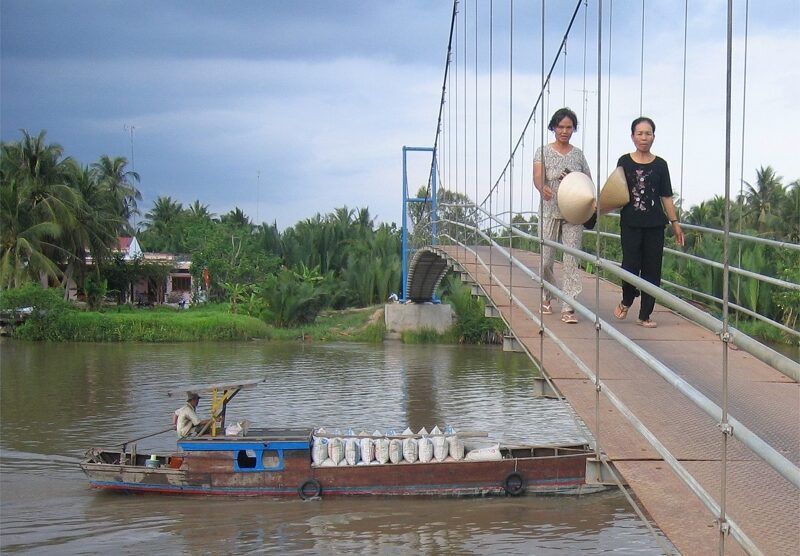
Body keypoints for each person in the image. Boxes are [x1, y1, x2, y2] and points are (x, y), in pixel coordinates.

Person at [613, 117, 684, 328]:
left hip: (654, 224)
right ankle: (627, 299)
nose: (644, 137)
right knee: (630, 265)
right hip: (630, 222)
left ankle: (645, 315)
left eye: (648, 133)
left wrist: (675, 222)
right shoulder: (624, 161)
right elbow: (616, 191)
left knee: (652, 268)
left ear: (654, 136)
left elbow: (666, 196)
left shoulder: (661, 165)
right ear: (632, 136)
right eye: (640, 133)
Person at [533, 107, 592, 324]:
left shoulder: (578, 154)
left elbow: (588, 180)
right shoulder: (543, 151)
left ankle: (569, 306)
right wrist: (542, 188)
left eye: (569, 127)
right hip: (550, 210)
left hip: (573, 212)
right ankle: (548, 294)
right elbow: (538, 176)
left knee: (571, 260)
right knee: (546, 259)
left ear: (574, 129)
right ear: (553, 128)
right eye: (561, 127)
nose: (565, 131)